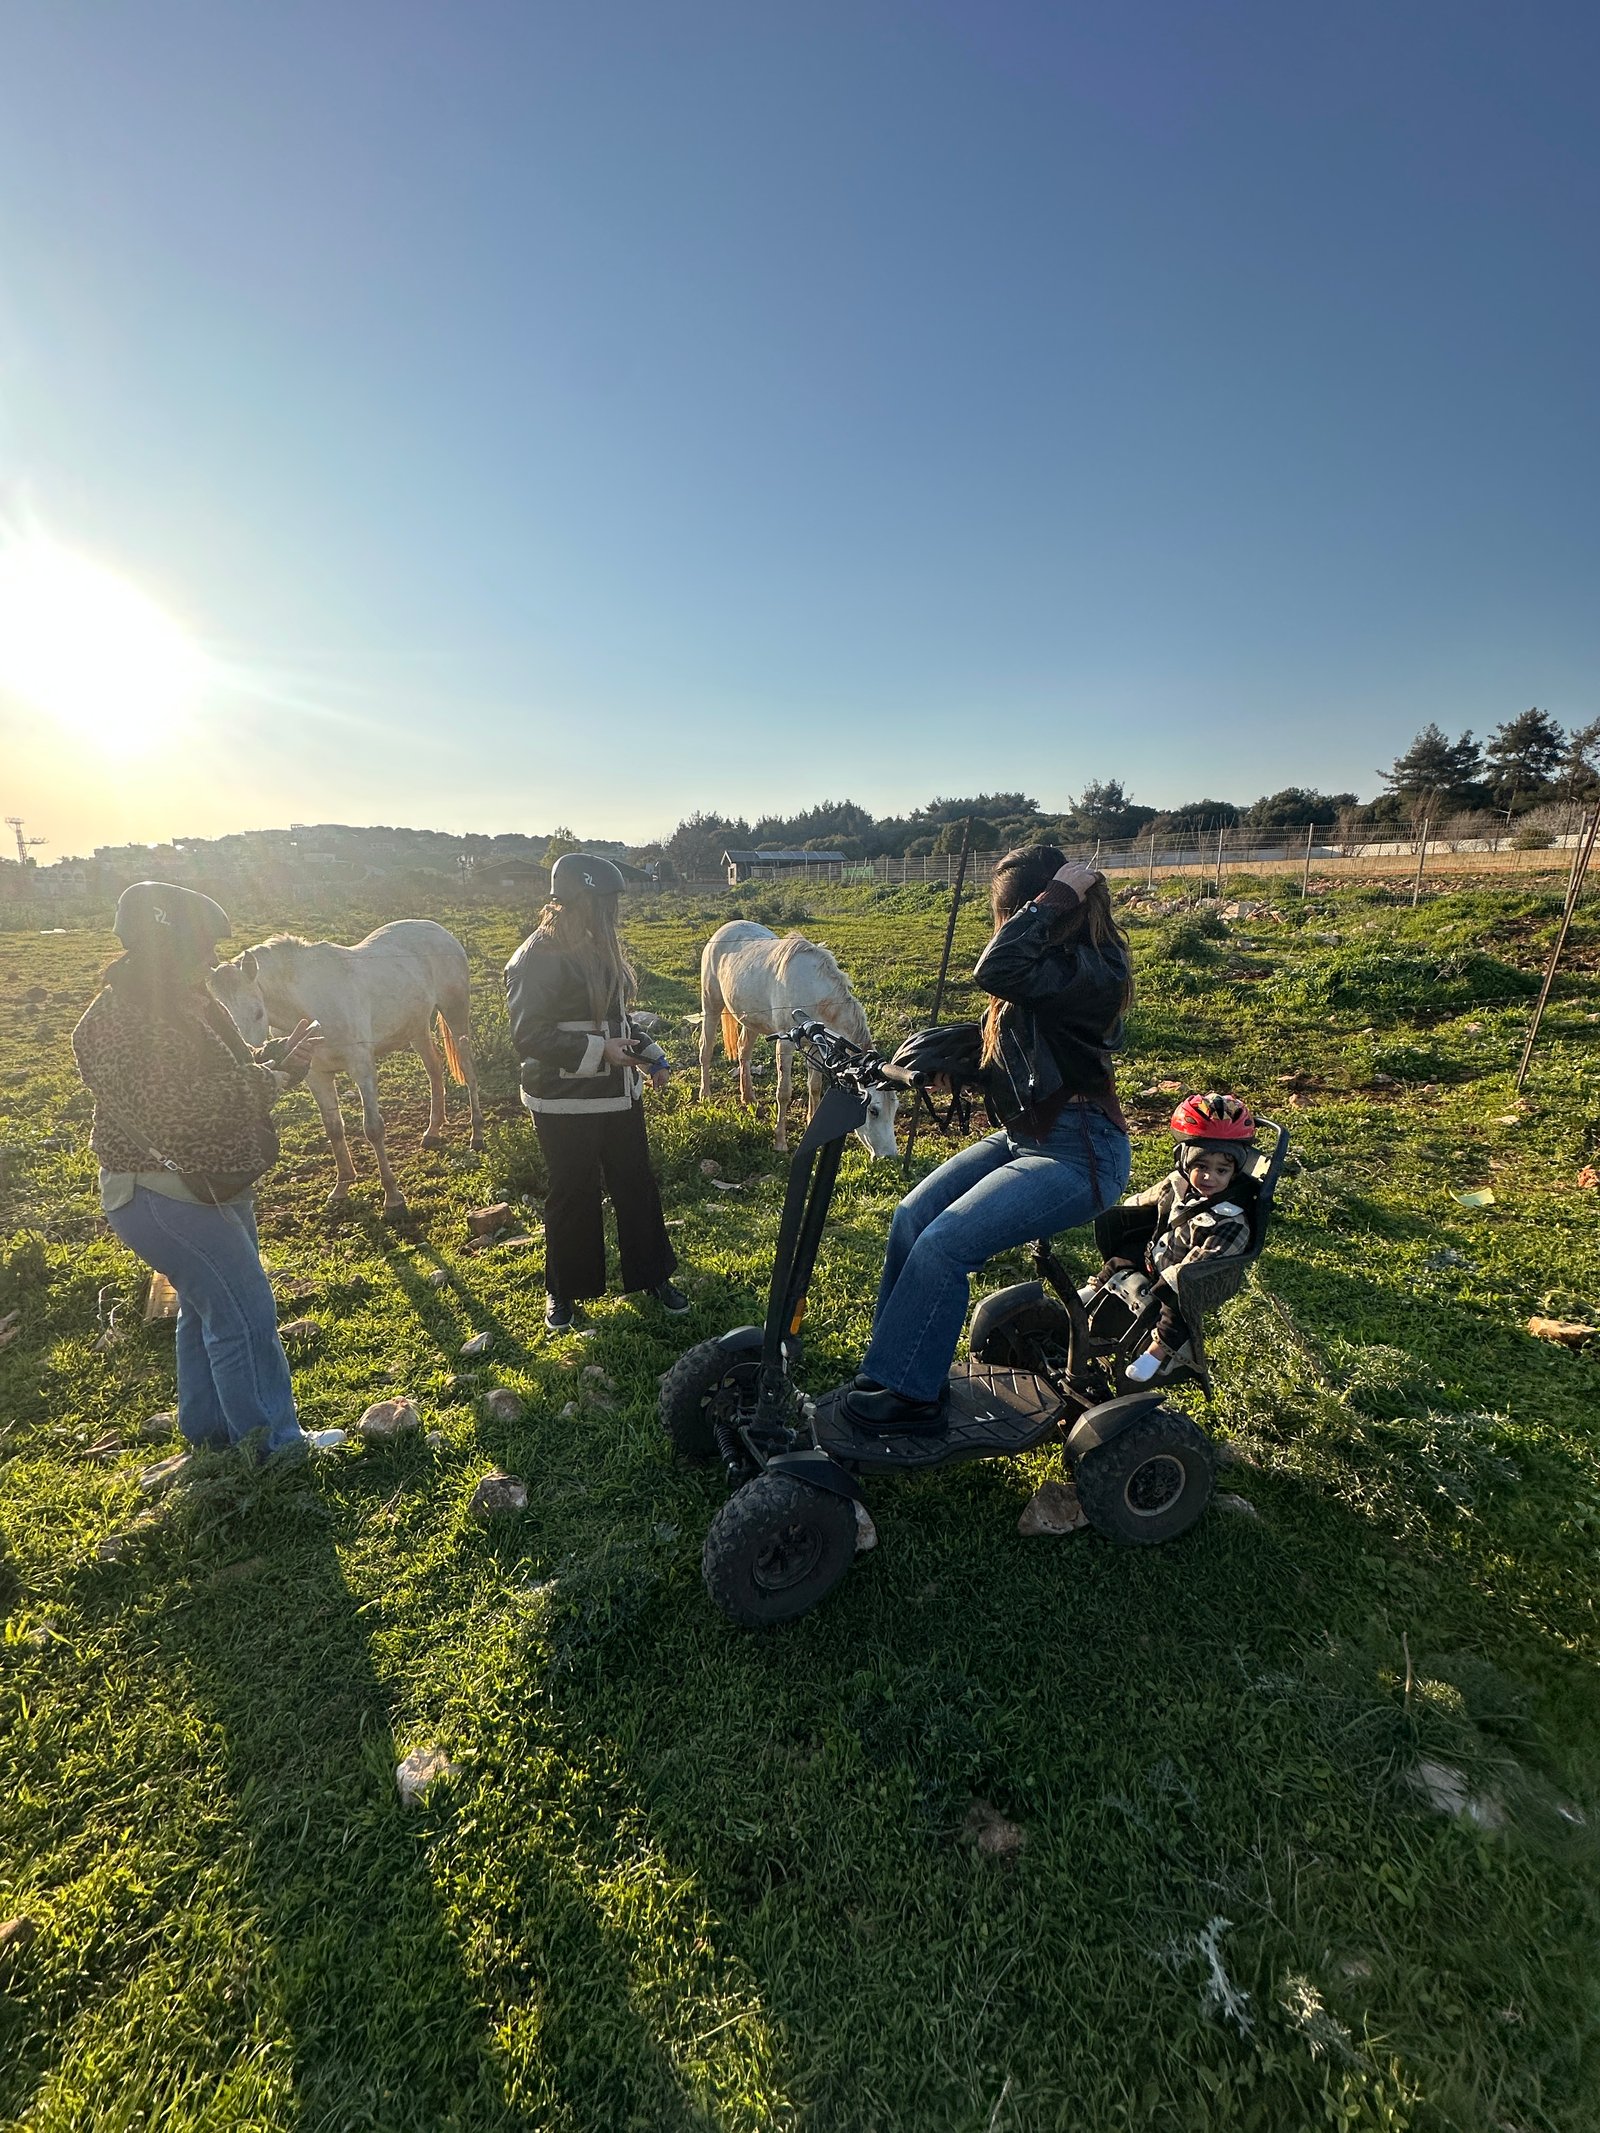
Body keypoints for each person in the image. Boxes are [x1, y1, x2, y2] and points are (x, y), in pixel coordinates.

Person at [847, 845, 1134, 1431]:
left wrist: (1048, 901)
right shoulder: (1049, 963)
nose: (1000, 929)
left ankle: (913, 1401)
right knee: (912, 1217)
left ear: (1050, 907)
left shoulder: (1096, 968)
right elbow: (1032, 1046)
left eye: (1006, 916)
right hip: (1026, 1137)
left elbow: (995, 968)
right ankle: (892, 1366)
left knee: (944, 1245)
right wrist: (962, 1066)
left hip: (1082, 1153)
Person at [71, 881, 335, 1464]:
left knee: (204, 1307)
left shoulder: (190, 998)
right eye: (203, 947)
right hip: (165, 1192)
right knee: (245, 1313)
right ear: (165, 945)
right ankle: (273, 1449)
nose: (215, 959)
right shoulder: (119, 1021)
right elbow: (178, 1109)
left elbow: (225, 1071)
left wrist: (273, 1060)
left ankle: (212, 1435)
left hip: (212, 1180)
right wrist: (272, 1080)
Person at [504, 853, 687, 1332]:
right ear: (574, 901)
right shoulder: (535, 958)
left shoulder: (599, 946)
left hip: (619, 1092)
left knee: (636, 1183)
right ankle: (563, 1290)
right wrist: (598, 1051)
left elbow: (617, 1020)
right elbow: (529, 1036)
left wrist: (651, 1055)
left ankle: (652, 1276)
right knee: (573, 1191)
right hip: (563, 1100)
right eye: (602, 904)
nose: (611, 915)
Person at [1085, 1093, 1256, 1382]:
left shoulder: (1231, 1219)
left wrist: (1173, 1279)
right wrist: (1125, 1211)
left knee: (1174, 1314)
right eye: (1201, 1167)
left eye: (1221, 1170)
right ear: (1185, 1163)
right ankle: (1092, 1294)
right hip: (1158, 1254)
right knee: (1120, 1258)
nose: (1209, 1177)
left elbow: (1207, 1258)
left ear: (1234, 1173)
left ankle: (1157, 1352)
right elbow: (1146, 1200)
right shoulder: (1177, 1185)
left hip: (1186, 1277)